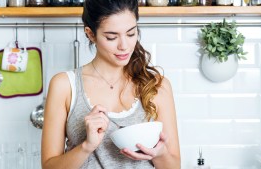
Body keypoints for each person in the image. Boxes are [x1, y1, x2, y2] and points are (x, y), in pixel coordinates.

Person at [41, 0, 181, 168]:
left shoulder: (156, 85)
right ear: (90, 34)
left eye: (131, 34)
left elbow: (174, 165)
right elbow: (49, 166)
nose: (124, 46)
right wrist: (87, 146)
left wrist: (160, 153)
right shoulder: (64, 85)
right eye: (111, 37)